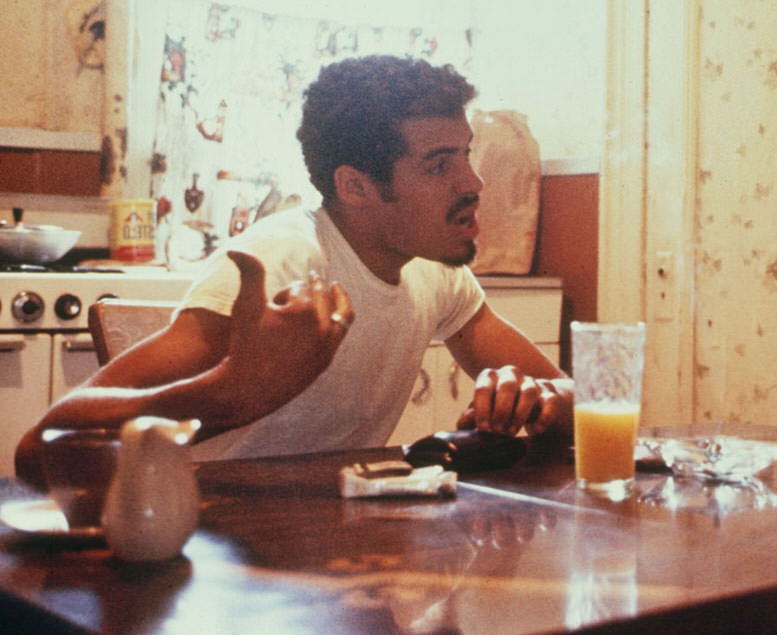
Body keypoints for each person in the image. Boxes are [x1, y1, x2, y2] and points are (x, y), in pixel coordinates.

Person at [15, 55, 571, 485]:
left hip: (336, 545)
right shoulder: (284, 263)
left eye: (466, 155)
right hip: (213, 557)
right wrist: (231, 392)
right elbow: (40, 450)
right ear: (354, 186)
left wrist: (538, 401)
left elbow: (574, 402)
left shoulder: (435, 271)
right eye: (439, 165)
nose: (474, 183)